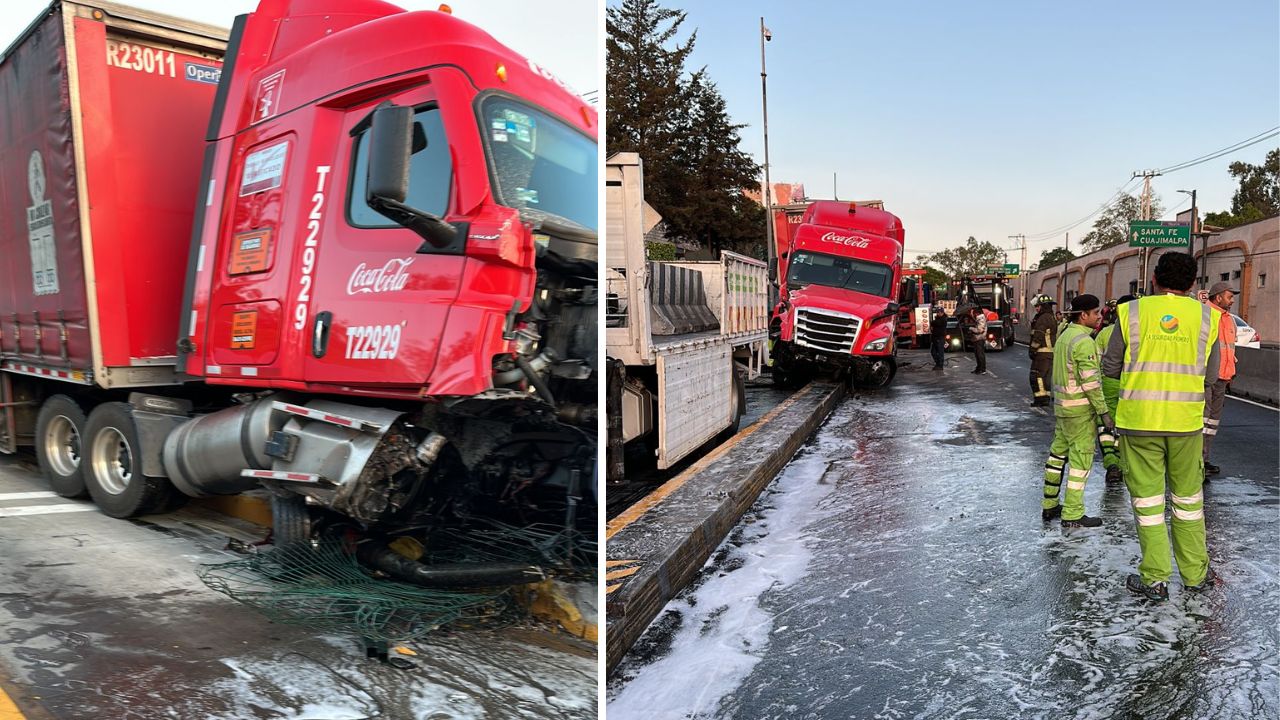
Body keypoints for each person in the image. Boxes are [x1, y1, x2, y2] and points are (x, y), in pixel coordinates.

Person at [1103, 252, 1220, 602]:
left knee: (1149, 503)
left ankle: (1154, 578)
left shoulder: (1132, 313)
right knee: (1188, 501)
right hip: (1185, 424)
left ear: (1154, 279)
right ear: (1193, 284)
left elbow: (1110, 367)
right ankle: (1196, 575)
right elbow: (1211, 377)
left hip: (1139, 423)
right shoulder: (1206, 317)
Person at [1040, 295, 1110, 528]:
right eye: (1096, 313)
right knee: (1081, 462)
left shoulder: (1064, 337)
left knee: (1057, 455)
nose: (1099, 317)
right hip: (1080, 411)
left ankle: (1050, 505)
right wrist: (1104, 412)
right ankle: (1072, 513)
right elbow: (1090, 382)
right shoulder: (1084, 341)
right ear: (1084, 315)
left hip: (1062, 408)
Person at [1093, 295, 1136, 483]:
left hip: (1109, 381)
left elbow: (1095, 361)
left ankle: (1111, 462)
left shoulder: (1105, 333)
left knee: (1105, 422)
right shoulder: (1139, 331)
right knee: (1124, 423)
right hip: (1132, 383)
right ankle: (1119, 458)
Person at [1202, 281, 1237, 478]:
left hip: (1222, 378)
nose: (1232, 301)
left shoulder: (1229, 319)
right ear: (1218, 297)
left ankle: (1204, 459)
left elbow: (1230, 349)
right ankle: (1196, 461)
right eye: (1229, 297)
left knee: (1212, 422)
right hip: (1206, 377)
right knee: (1202, 420)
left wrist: (1231, 373)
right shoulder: (1205, 316)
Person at [1027, 295, 1058, 406]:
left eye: (1038, 306)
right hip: (1049, 353)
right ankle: (1045, 398)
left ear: (1043, 306)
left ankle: (1040, 399)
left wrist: (1032, 349)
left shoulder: (1043, 318)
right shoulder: (1051, 316)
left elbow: (1038, 335)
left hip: (1042, 353)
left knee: (1036, 376)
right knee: (1045, 378)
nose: (1036, 309)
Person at [965, 306, 987, 374]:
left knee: (980, 354)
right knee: (977, 354)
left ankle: (982, 369)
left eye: (973, 313)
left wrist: (971, 328)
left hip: (979, 338)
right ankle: (978, 368)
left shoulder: (981, 319)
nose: (972, 314)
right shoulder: (978, 319)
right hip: (976, 338)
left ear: (976, 313)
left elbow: (980, 330)